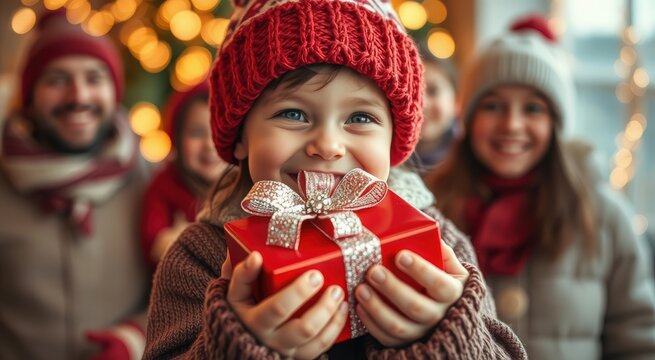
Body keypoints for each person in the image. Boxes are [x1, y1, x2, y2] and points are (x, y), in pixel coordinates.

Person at [144, 0, 527, 358]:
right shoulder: (199, 257)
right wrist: (236, 345)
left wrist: (448, 334)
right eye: (293, 114)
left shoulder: (438, 241)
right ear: (242, 136)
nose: (328, 146)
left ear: (395, 139)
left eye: (359, 118)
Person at [424, 14, 655, 359]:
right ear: (469, 118)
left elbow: (638, 342)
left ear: (557, 123)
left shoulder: (605, 215)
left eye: (533, 108)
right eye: (492, 106)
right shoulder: (434, 207)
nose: (512, 125)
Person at [0, 10, 150, 360]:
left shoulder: (153, 179)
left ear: (114, 91)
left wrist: (133, 338)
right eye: (56, 79)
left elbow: (186, 286)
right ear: (30, 95)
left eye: (94, 78)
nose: (78, 95)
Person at [140, 81, 227, 270]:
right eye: (196, 133)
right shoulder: (165, 185)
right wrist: (175, 241)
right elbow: (153, 242)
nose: (209, 145)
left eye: (219, 132)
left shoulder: (247, 183)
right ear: (177, 139)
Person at [415, 47, 459, 174]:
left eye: (433, 91)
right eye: (413, 91)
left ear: (456, 101)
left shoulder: (471, 158)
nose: (421, 104)